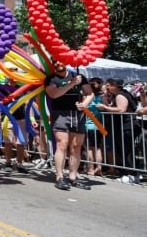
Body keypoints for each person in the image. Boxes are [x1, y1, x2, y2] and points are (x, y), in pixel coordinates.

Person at [44, 59, 94, 190]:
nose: (58, 63)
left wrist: (85, 104)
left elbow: (90, 93)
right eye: (55, 62)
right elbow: (54, 94)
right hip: (60, 114)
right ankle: (59, 177)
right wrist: (72, 84)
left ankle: (73, 177)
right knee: (62, 144)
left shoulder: (79, 76)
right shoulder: (50, 79)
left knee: (76, 147)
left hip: (77, 115)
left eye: (60, 61)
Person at [96, 78, 139, 184]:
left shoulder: (120, 95)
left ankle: (131, 174)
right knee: (123, 150)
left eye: (108, 85)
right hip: (122, 126)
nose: (106, 87)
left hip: (126, 126)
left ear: (113, 85)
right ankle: (129, 173)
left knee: (126, 150)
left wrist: (105, 107)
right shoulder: (119, 94)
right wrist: (106, 99)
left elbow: (121, 109)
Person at [2, 70, 29, 174]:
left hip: (21, 118)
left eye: (15, 72)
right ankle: (8, 162)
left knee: (21, 143)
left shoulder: (22, 88)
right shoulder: (2, 88)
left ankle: (20, 164)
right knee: (8, 142)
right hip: (7, 118)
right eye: (11, 72)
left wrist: (30, 118)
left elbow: (27, 103)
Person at [83, 77, 105, 176]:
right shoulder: (102, 97)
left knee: (89, 149)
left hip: (88, 125)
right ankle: (99, 168)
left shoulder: (87, 97)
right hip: (98, 126)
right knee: (97, 148)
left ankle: (91, 169)